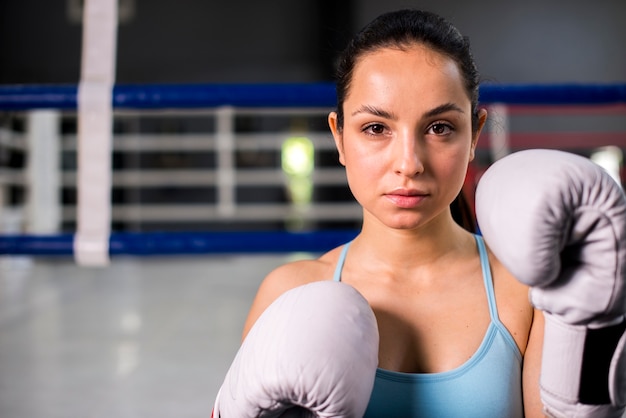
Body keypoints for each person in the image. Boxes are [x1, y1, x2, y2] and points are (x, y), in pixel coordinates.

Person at [240, 9, 545, 417]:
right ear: (340, 138)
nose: (409, 163)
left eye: (439, 127)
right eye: (376, 128)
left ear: (475, 134)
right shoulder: (288, 293)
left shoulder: (526, 289)